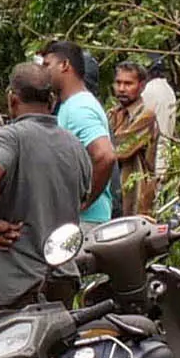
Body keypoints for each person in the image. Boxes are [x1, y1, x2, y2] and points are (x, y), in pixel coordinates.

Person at [0, 59, 111, 316]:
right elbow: (83, 196)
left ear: (12, 99)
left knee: (2, 353)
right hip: (61, 279)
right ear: (51, 101)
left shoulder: (11, 137)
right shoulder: (74, 146)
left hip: (14, 279)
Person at [39, 39, 121, 224]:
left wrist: (85, 201)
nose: (42, 72)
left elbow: (105, 156)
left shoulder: (79, 108)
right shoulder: (71, 105)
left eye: (47, 65)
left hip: (85, 221)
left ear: (65, 65)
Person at [105, 56, 162, 216]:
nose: (122, 88)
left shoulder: (146, 117)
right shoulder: (112, 114)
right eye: (118, 83)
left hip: (136, 200)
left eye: (128, 84)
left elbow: (120, 149)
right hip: (114, 197)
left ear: (142, 86)